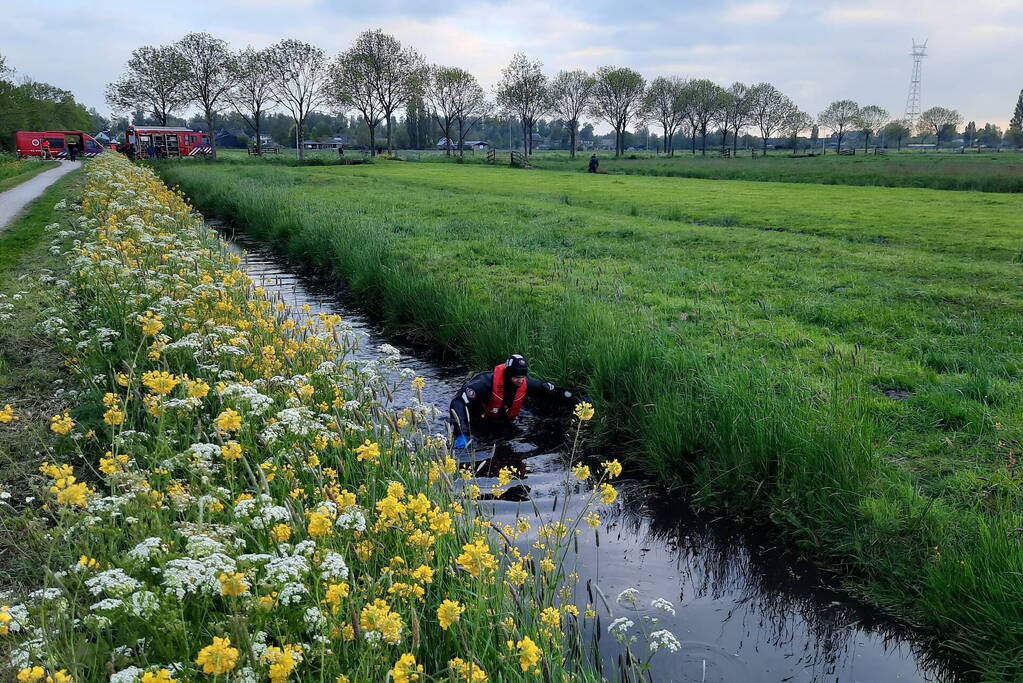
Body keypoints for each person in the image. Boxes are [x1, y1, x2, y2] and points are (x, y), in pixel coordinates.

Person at [448, 354, 582, 449]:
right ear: (507, 374)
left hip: (505, 422)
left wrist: (576, 400)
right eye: (517, 377)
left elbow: (550, 390)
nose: (520, 381)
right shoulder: (484, 383)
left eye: (523, 377)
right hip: (480, 422)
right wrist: (461, 433)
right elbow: (458, 403)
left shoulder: (525, 383)